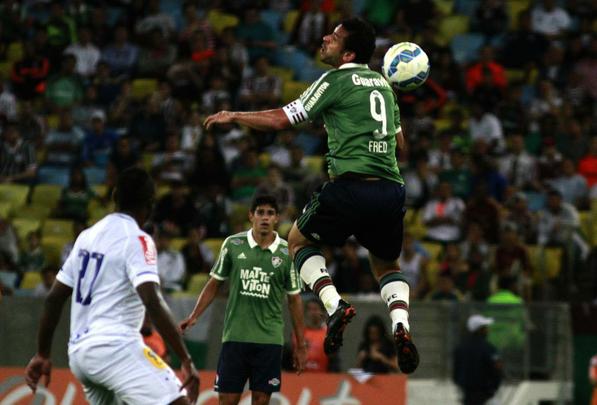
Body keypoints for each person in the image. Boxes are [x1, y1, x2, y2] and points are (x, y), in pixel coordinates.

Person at [204, 16, 419, 374]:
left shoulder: (335, 80)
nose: (325, 39)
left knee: (297, 241)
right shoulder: (383, 86)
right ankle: (401, 325)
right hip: (390, 191)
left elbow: (281, 119)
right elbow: (402, 148)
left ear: (348, 52)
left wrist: (235, 115)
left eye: (333, 37)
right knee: (386, 266)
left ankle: (335, 306)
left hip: (349, 186)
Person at [25, 167, 199, 405]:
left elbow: (54, 298)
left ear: (115, 197)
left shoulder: (87, 236)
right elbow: (152, 300)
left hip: (80, 354)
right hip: (115, 347)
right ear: (149, 205)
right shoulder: (138, 239)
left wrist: (43, 353)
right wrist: (185, 359)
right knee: (177, 401)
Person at [179, 195, 307, 405]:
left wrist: (300, 345)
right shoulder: (233, 244)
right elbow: (214, 283)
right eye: (260, 213)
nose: (265, 218)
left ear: (277, 219)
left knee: (260, 401)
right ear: (251, 216)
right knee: (227, 401)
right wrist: (194, 315)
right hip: (235, 337)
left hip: (269, 340)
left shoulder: (287, 253)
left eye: (270, 213)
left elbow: (295, 300)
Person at [453, 314, 502, 405]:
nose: (488, 330)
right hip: (485, 395)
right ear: (480, 330)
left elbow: (456, 373)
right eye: (485, 327)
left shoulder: (460, 348)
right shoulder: (489, 348)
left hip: (467, 394)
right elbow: (497, 371)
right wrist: (493, 388)